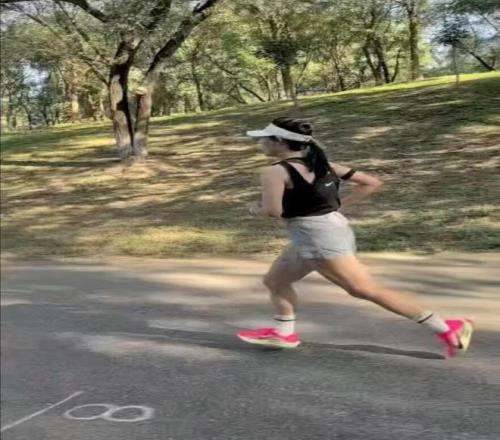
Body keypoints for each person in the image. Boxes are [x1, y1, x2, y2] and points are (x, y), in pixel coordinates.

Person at [236, 117, 473, 358]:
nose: (260, 143)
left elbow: (273, 211)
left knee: (364, 289)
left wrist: (255, 209)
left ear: (279, 141)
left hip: (318, 238)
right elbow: (371, 183)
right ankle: (283, 332)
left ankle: (447, 327)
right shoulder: (324, 165)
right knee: (275, 281)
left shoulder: (275, 171)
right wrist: (339, 206)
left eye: (263, 139)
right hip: (322, 231)